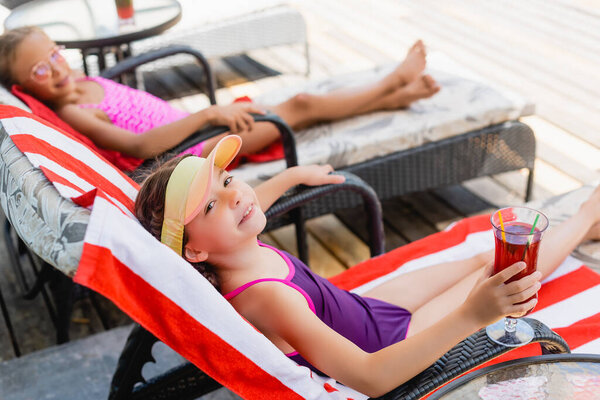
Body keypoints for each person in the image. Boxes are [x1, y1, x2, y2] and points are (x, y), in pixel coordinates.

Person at [133, 135, 600, 397]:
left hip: (365, 310)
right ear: (193, 251)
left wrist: (293, 176)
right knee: (493, 276)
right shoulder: (265, 297)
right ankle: (586, 218)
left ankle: (581, 226)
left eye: (229, 179)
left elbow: (248, 205)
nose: (236, 194)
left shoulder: (229, 253)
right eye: (210, 205)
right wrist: (473, 316)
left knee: (481, 255)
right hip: (391, 344)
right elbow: (371, 377)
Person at [0, 26, 441, 167]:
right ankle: (389, 83)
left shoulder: (81, 84)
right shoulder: (75, 111)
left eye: (55, 54)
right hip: (189, 154)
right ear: (24, 87)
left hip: (195, 131)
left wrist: (207, 115)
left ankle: (391, 98)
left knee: (296, 107)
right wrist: (209, 113)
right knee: (302, 105)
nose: (56, 68)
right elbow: (136, 146)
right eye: (41, 70)